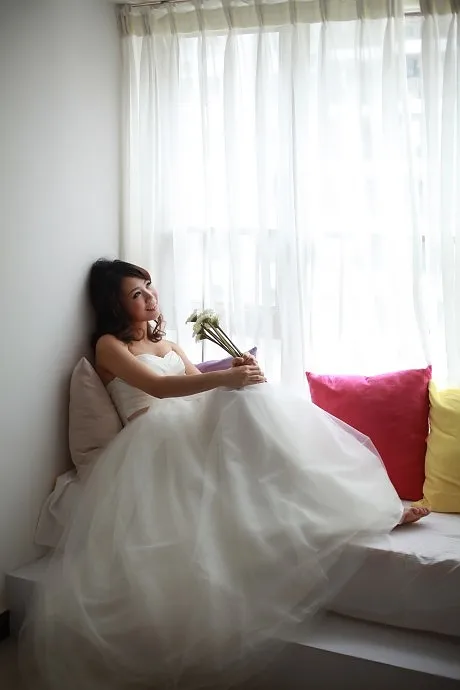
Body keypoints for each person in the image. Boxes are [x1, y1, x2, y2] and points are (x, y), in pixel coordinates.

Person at [22, 259, 429, 690]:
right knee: (237, 401)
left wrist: (238, 375)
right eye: (136, 294)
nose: (149, 296)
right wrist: (226, 381)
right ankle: (339, 506)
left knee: (249, 401)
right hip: (153, 435)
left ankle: (345, 502)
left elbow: (195, 384)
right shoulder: (109, 346)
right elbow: (159, 388)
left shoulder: (168, 344)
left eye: (149, 286)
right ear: (114, 305)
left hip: (186, 422)